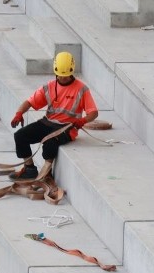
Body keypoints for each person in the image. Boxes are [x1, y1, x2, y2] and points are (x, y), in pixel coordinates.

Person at [8, 52, 98, 180]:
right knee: (20, 136)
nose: (63, 79)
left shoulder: (81, 89)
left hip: (68, 128)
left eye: (66, 76)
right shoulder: (49, 86)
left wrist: (82, 121)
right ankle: (29, 169)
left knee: (50, 144)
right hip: (47, 123)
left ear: (72, 71)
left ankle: (46, 173)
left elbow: (94, 113)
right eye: (60, 76)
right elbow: (29, 102)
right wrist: (19, 113)